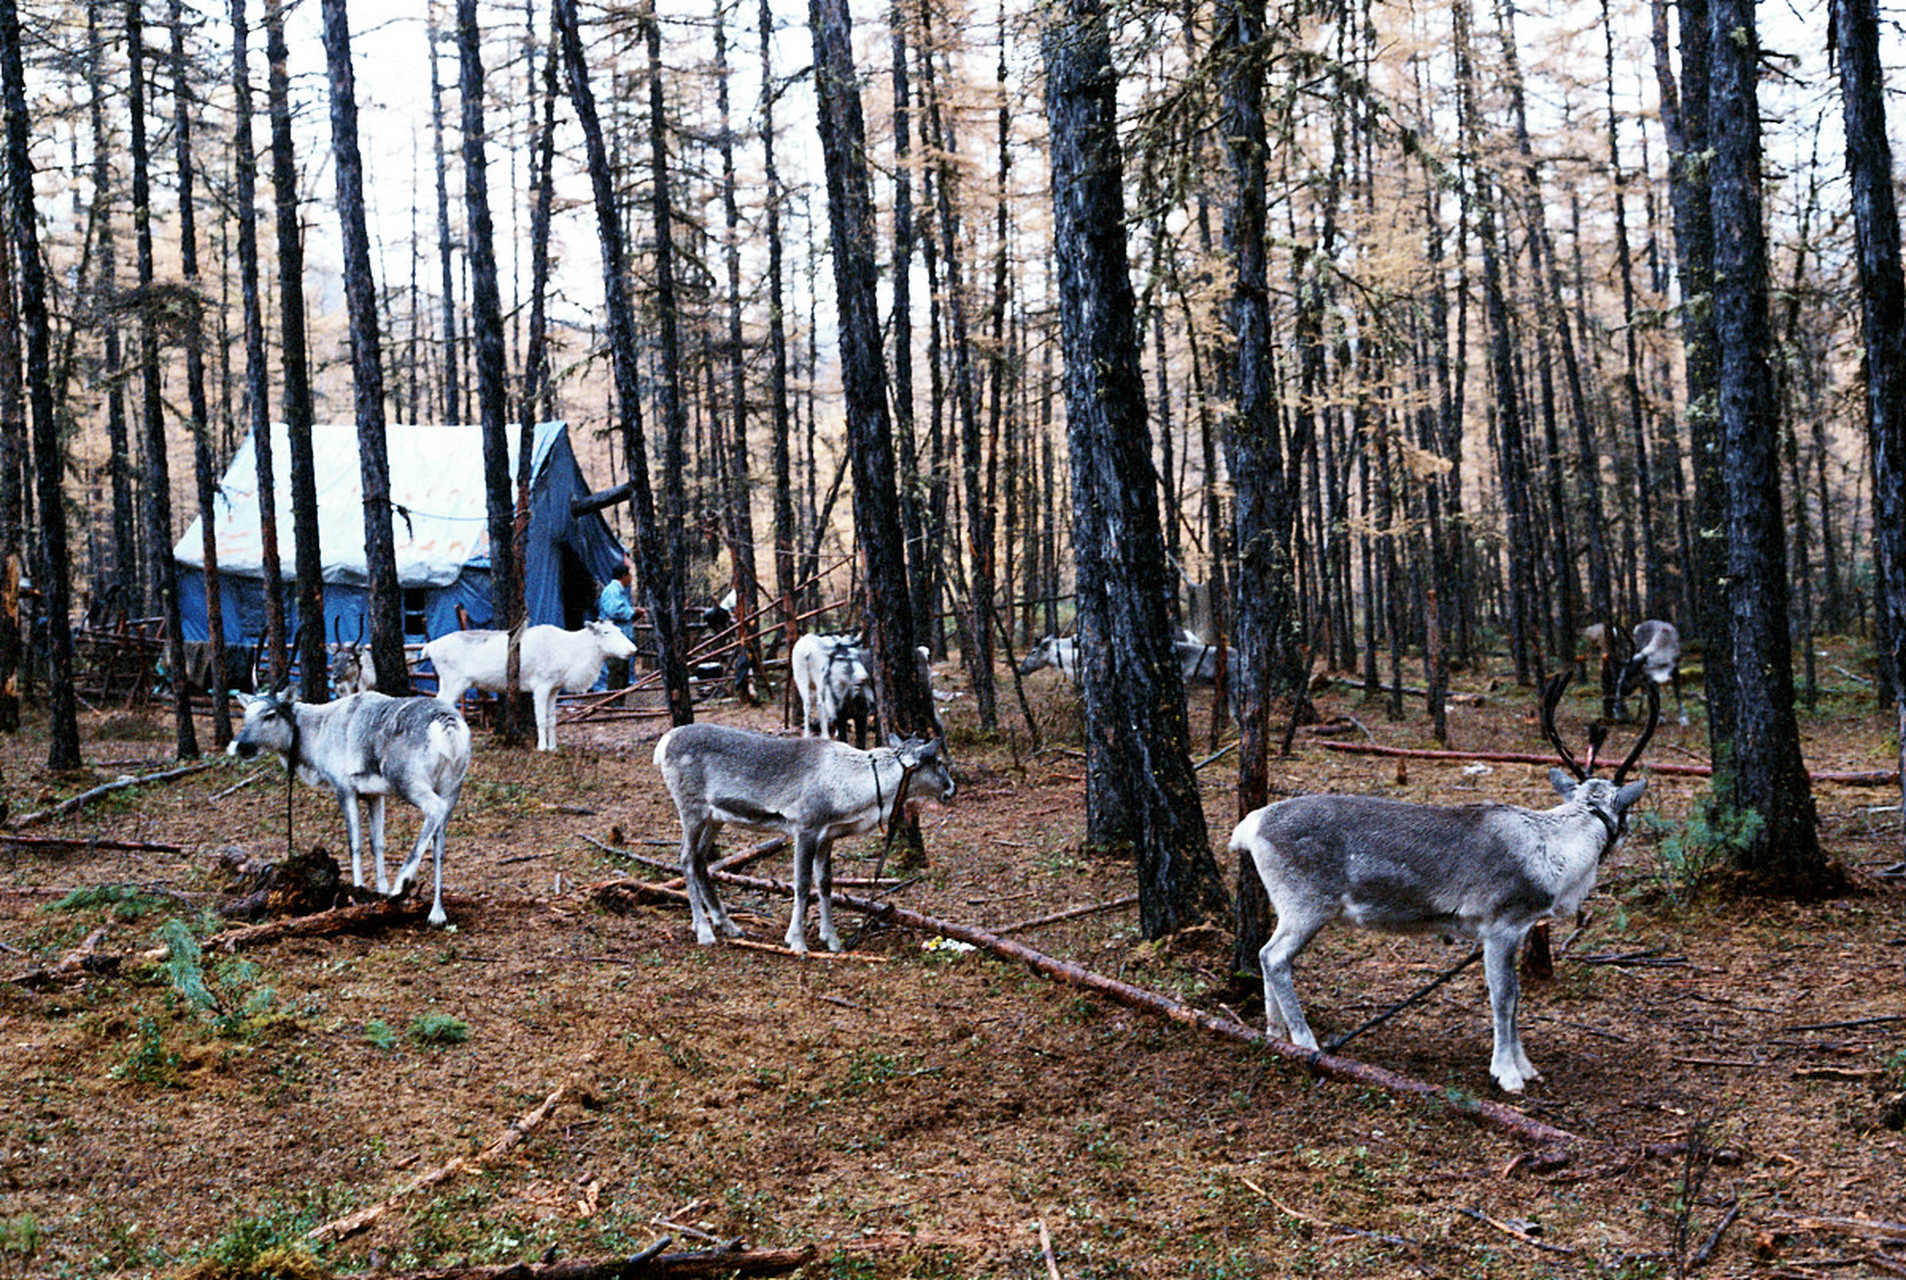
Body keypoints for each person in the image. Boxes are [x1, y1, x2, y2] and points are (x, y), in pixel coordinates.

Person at [596, 557, 637, 693]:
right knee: (617, 671)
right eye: (629, 575)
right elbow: (614, 611)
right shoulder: (612, 591)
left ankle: (618, 700)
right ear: (624, 576)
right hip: (614, 638)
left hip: (621, 638)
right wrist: (632, 612)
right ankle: (614, 702)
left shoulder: (619, 591)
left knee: (622, 672)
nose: (631, 579)